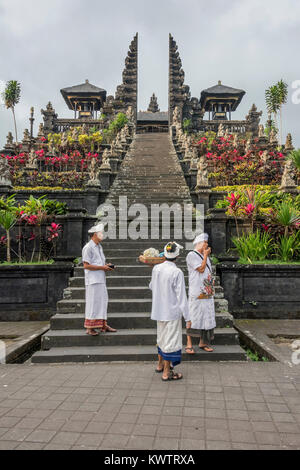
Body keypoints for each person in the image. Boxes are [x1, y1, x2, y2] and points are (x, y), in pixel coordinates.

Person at [150, 241, 191, 381]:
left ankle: (160, 364)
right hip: (172, 311)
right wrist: (188, 316)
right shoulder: (176, 272)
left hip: (159, 310)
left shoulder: (156, 268)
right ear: (177, 256)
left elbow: (151, 286)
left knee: (161, 338)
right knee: (171, 342)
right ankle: (167, 373)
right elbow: (181, 296)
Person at [82, 223, 117, 336]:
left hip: (100, 279)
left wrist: (106, 265)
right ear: (95, 235)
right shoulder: (88, 248)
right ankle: (89, 328)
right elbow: (86, 265)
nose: (102, 235)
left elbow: (98, 262)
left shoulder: (99, 247)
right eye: (100, 233)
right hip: (92, 280)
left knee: (102, 302)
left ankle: (103, 324)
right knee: (93, 303)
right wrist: (102, 267)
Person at [185, 233, 216, 354]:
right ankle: (189, 343)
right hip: (197, 291)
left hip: (207, 290)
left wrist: (205, 256)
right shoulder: (191, 255)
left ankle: (203, 342)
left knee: (206, 315)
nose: (207, 245)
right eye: (205, 242)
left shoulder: (205, 256)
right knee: (193, 315)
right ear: (198, 243)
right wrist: (205, 256)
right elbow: (201, 269)